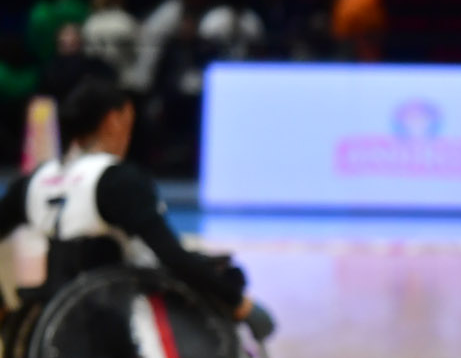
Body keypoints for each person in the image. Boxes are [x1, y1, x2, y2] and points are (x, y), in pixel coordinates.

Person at [0, 78, 272, 338]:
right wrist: (239, 303)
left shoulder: (35, 180)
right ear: (113, 120)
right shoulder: (116, 180)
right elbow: (171, 256)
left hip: (50, 310)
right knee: (224, 276)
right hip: (115, 315)